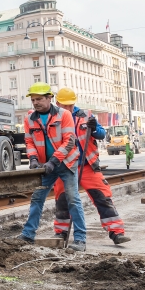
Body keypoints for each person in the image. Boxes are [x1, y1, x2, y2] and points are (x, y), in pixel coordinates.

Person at [51, 88, 130, 245]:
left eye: (70, 105)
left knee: (102, 197)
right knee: (62, 200)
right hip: (64, 165)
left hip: (86, 165)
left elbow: (101, 134)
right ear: (57, 103)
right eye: (64, 105)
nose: (67, 108)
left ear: (74, 103)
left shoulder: (85, 116)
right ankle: (61, 233)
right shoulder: (53, 119)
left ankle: (116, 232)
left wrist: (94, 127)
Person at [21, 82, 88, 252]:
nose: (36, 102)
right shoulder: (29, 118)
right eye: (33, 100)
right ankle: (28, 234)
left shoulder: (63, 114)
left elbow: (69, 141)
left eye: (39, 99)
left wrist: (54, 161)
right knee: (37, 198)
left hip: (66, 163)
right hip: (45, 166)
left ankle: (80, 239)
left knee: (73, 199)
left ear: (49, 98)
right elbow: (29, 141)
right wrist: (33, 159)